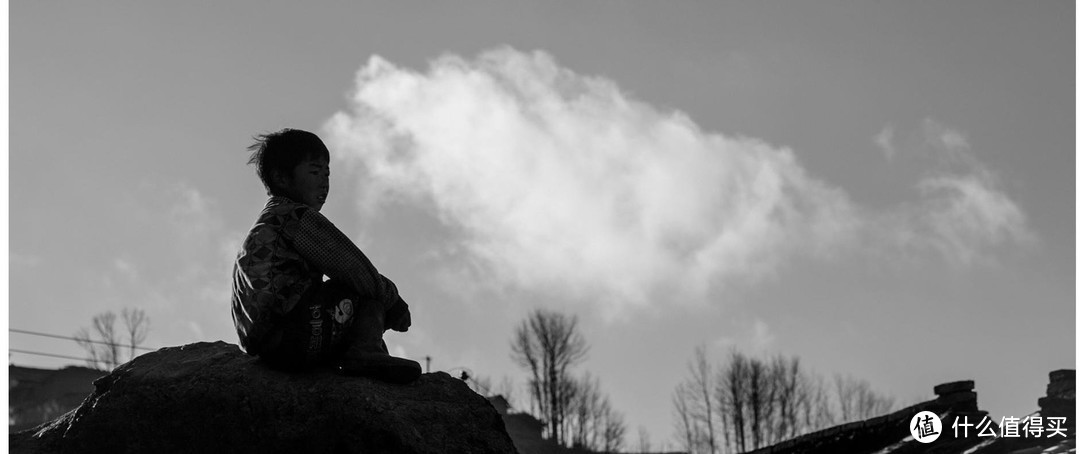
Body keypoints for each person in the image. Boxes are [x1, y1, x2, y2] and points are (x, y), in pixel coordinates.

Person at [231, 128, 420, 383]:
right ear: (282, 178)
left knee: (350, 291)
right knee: (362, 289)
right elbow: (351, 266)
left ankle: (360, 355)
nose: (324, 182)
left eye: (327, 173)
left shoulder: (267, 224)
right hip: (295, 332)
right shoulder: (294, 217)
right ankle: (365, 353)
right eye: (315, 172)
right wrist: (392, 301)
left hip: (270, 347)